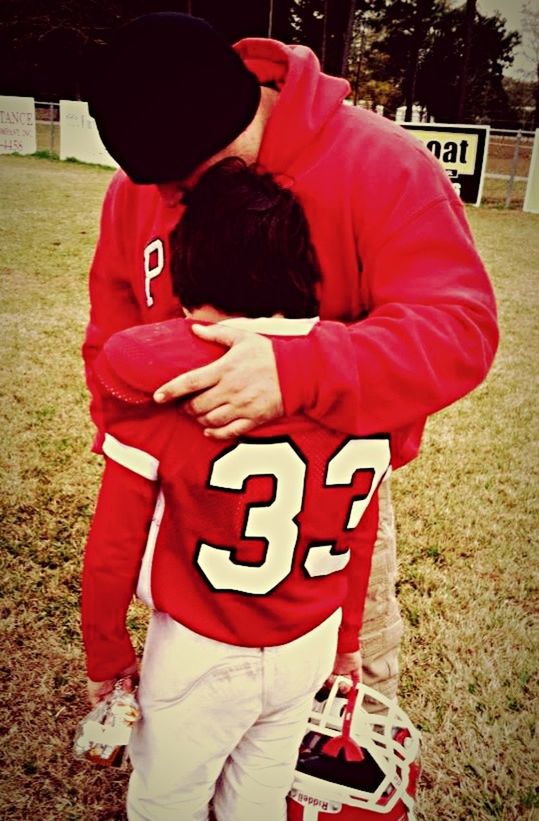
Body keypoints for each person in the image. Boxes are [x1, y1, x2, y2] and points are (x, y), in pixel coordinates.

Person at [80, 12, 498, 706]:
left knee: (333, 707)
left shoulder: (382, 164)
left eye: (188, 183)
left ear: (241, 119)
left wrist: (294, 369)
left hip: (333, 497)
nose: (174, 203)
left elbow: (459, 329)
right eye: (162, 190)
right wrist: (133, 448)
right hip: (187, 488)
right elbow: (110, 328)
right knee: (196, 690)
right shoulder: (139, 189)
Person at [82, 157, 392, 820]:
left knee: (167, 802)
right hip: (306, 641)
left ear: (188, 288)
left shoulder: (160, 401)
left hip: (200, 646)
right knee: (255, 800)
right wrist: (346, 638)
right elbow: (359, 532)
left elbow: (113, 544)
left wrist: (106, 648)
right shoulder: (364, 389)